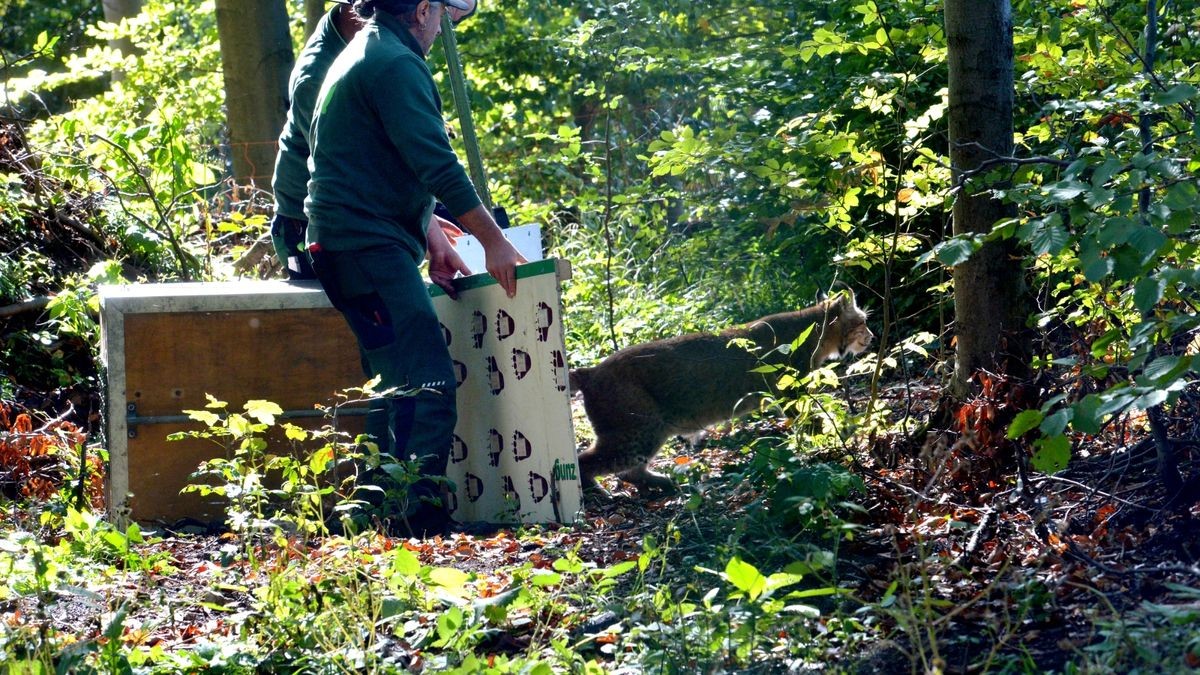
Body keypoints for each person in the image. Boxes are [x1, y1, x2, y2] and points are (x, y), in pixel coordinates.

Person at [305, 0, 523, 537]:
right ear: (423, 9)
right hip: (364, 247)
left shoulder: (366, 50)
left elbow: (373, 156)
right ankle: (414, 517)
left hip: (348, 244)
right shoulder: (395, 63)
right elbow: (436, 162)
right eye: (445, 13)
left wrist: (431, 235)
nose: (445, 24)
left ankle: (374, 510)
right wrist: (492, 240)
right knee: (426, 378)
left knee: (392, 380)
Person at [269, 0, 475, 279]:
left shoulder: (378, 49)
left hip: (367, 207)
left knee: (469, 224)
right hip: (308, 224)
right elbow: (352, 165)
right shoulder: (316, 76)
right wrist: (429, 231)